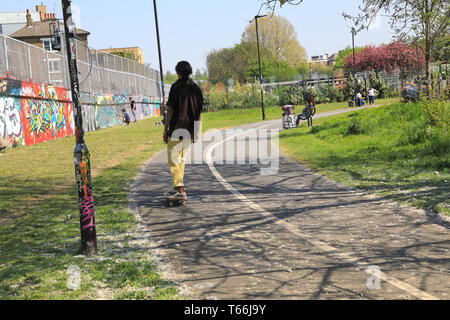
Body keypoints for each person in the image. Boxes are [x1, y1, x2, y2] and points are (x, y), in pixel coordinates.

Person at [163, 61, 204, 201]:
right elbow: (198, 113)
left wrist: (165, 129)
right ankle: (177, 189)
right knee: (181, 160)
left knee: (174, 160)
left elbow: (170, 110)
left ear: (178, 72)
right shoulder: (196, 88)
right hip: (189, 130)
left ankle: (181, 190)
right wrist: (197, 131)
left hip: (176, 128)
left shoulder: (175, 87)